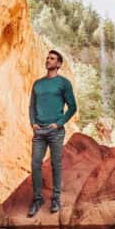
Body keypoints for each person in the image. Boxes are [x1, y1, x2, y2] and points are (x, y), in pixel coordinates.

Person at [28, 49, 77, 217]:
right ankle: (37, 199)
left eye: (52, 59)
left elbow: (72, 107)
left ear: (59, 64)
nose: (48, 60)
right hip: (39, 131)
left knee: (56, 164)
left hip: (55, 131)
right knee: (35, 164)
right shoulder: (37, 84)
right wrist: (33, 123)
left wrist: (59, 123)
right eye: (47, 58)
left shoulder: (64, 83)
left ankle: (56, 198)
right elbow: (31, 106)